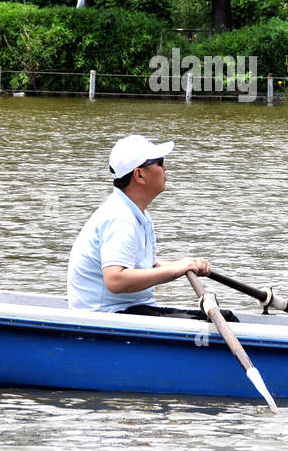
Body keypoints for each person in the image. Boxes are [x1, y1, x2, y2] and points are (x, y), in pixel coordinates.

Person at [67, 135, 236, 322]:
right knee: (225, 320)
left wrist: (187, 264)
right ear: (139, 175)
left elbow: (147, 267)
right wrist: (180, 268)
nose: (165, 168)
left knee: (225, 317)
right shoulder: (119, 217)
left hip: (131, 310)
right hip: (106, 317)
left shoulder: (136, 213)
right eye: (160, 163)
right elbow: (115, 280)